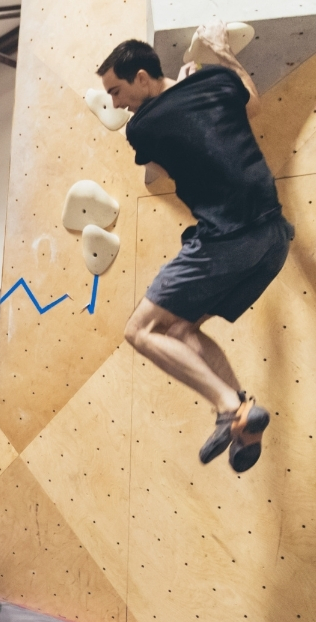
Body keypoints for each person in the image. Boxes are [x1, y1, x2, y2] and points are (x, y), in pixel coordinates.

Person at [99, 26, 292, 472]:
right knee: (181, 331)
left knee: (140, 331)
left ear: (143, 78)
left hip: (226, 238)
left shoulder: (142, 126)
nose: (114, 102)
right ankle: (245, 421)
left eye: (117, 90)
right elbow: (254, 103)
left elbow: (159, 170)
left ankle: (230, 408)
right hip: (273, 239)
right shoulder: (218, 81)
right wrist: (222, 58)